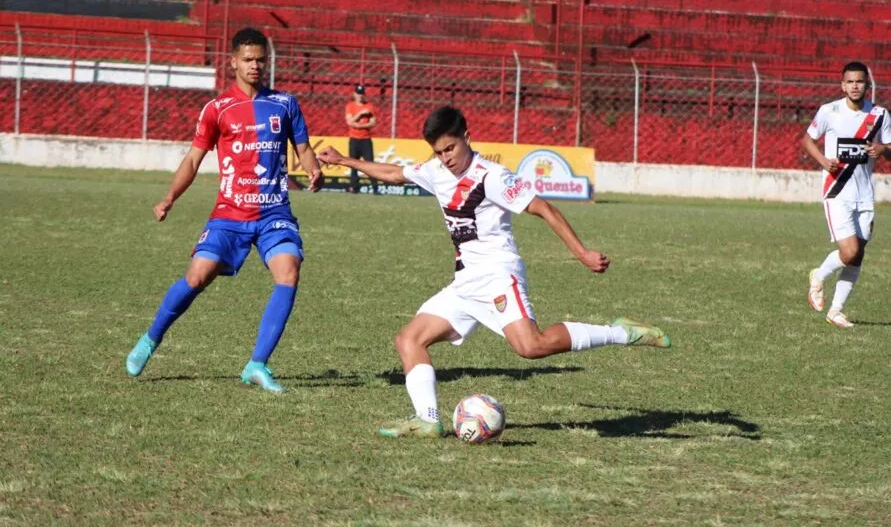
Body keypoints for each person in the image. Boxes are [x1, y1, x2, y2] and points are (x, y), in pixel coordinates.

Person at [317, 106, 670, 438]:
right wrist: (345, 160)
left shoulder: (493, 177)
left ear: (467, 136)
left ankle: (621, 333)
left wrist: (581, 253)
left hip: (499, 274)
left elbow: (543, 208)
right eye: (439, 152)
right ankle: (427, 420)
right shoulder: (437, 171)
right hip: (466, 282)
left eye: (451, 148)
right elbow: (395, 173)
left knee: (531, 347)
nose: (446, 158)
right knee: (409, 339)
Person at [124, 27, 324, 392]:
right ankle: (150, 339)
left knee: (289, 271)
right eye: (248, 60)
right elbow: (193, 159)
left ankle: (257, 364)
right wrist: (169, 197)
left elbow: (303, 148)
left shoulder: (286, 104)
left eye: (261, 59)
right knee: (197, 277)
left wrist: (313, 169)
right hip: (230, 213)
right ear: (233, 62)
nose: (255, 66)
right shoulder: (217, 110)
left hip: (274, 213)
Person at [802, 61, 891, 328]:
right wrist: (822, 160)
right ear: (842, 85)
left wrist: (881, 149)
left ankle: (836, 311)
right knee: (849, 250)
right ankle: (819, 274)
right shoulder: (829, 111)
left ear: (867, 85)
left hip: (864, 194)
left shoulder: (879, 115)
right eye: (850, 82)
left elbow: (889, 147)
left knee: (859, 254)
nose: (855, 86)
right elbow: (807, 140)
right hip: (836, 190)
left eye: (859, 82)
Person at [344, 84, 377, 194]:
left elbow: (373, 122)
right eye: (358, 93)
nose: (360, 96)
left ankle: (375, 188)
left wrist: (358, 126)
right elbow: (349, 122)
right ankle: (354, 187)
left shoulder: (369, 106)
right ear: (354, 94)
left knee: (370, 164)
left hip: (366, 139)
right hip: (354, 139)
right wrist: (360, 114)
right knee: (353, 164)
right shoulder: (350, 106)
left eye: (362, 94)